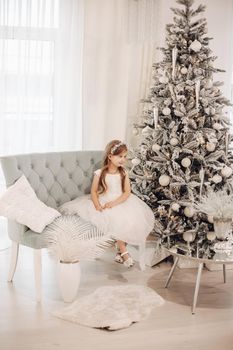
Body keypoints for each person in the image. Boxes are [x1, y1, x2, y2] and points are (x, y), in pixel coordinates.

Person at [60, 140, 155, 268]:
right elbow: (93, 191)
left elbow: (127, 192)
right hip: (104, 200)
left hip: (121, 201)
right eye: (120, 156)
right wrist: (97, 205)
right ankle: (123, 252)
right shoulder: (100, 173)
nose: (123, 159)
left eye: (125, 156)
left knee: (128, 219)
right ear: (110, 156)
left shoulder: (124, 173)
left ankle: (121, 251)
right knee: (116, 219)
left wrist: (114, 203)